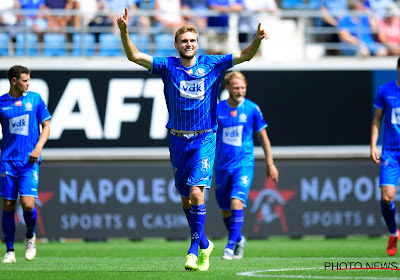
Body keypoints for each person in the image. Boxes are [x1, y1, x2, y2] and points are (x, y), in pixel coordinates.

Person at [116, 7, 267, 271]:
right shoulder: (167, 66)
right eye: (184, 41)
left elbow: (244, 55)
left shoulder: (212, 64)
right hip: (177, 141)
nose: (189, 44)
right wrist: (124, 31)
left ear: (198, 44)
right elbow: (134, 55)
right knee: (186, 198)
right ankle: (205, 242)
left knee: (197, 193)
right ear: (176, 44)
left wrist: (257, 40)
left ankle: (193, 249)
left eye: (193, 41)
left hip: (204, 139)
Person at [214, 71, 279, 260]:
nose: (240, 91)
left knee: (237, 202)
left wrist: (270, 163)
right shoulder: (217, 109)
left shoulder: (252, 109)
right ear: (227, 88)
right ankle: (239, 238)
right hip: (221, 166)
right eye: (236, 87)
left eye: (242, 87)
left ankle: (229, 246)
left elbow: (263, 137)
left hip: (243, 163)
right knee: (225, 209)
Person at [0, 65, 51, 263]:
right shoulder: (2, 103)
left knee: (28, 205)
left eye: (29, 80)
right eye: (24, 80)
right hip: (7, 161)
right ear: (14, 81)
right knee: (8, 204)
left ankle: (30, 236)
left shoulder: (35, 99)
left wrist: (38, 148)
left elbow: (46, 126)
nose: (28, 84)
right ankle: (10, 251)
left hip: (29, 161)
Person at [370, 57, 400, 256]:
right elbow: (377, 120)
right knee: (386, 197)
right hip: (391, 151)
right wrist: (373, 145)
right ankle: (392, 232)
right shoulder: (385, 91)